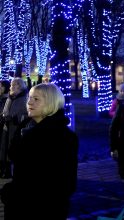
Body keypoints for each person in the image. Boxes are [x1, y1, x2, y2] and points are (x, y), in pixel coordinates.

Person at [0, 83, 79, 220]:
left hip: (42, 211)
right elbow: (14, 156)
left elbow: (64, 184)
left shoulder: (63, 137)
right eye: (29, 98)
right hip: (19, 206)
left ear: (51, 103)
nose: (29, 102)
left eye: (36, 99)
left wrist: (14, 194)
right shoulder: (25, 127)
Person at [0, 77, 28, 178]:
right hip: (8, 127)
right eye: (11, 85)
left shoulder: (24, 99)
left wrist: (16, 118)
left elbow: (26, 114)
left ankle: (12, 172)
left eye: (13, 85)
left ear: (19, 86)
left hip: (16, 128)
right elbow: (5, 112)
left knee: (13, 149)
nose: (11, 87)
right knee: (6, 148)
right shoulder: (12, 98)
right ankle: (6, 171)